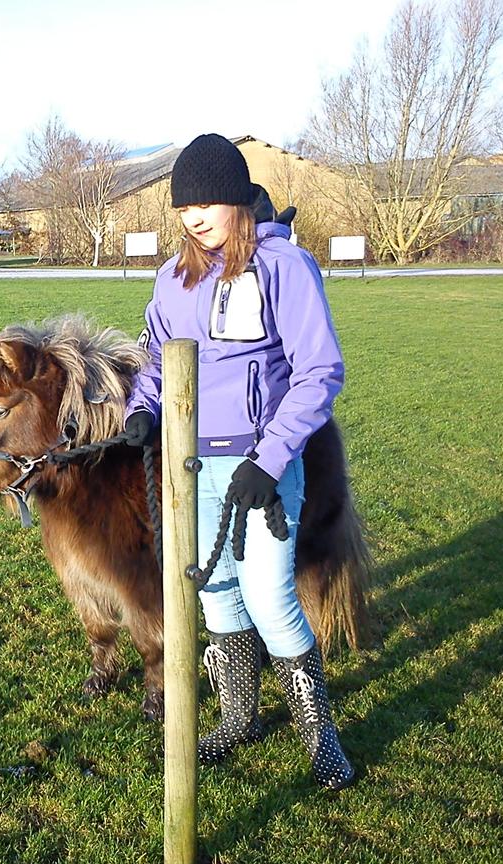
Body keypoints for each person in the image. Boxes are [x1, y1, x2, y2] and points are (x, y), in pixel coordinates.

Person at [123, 133, 355, 791]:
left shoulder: (287, 267)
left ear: (239, 201)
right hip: (191, 468)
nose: (194, 216)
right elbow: (158, 360)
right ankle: (240, 717)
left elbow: (320, 371)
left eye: (208, 202)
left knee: (268, 595)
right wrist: (144, 410)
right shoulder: (173, 279)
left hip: (263, 469)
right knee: (217, 591)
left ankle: (323, 740)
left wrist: (271, 457)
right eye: (184, 205)